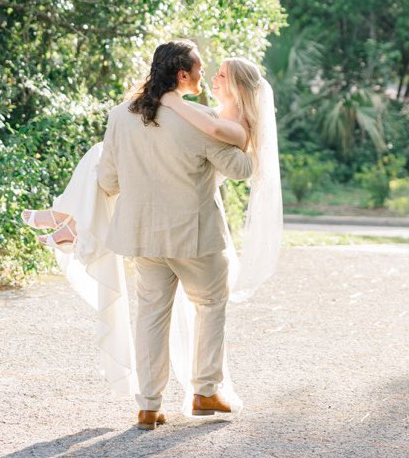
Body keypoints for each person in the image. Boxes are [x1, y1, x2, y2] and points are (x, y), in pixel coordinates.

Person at [21, 41, 282, 427]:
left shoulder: (121, 116)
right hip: (196, 237)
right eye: (199, 68)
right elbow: (241, 170)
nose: (204, 74)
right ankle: (205, 391)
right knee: (211, 304)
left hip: (142, 236)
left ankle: (149, 404)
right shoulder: (200, 119)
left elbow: (108, 181)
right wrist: (250, 139)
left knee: (151, 317)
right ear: (182, 74)